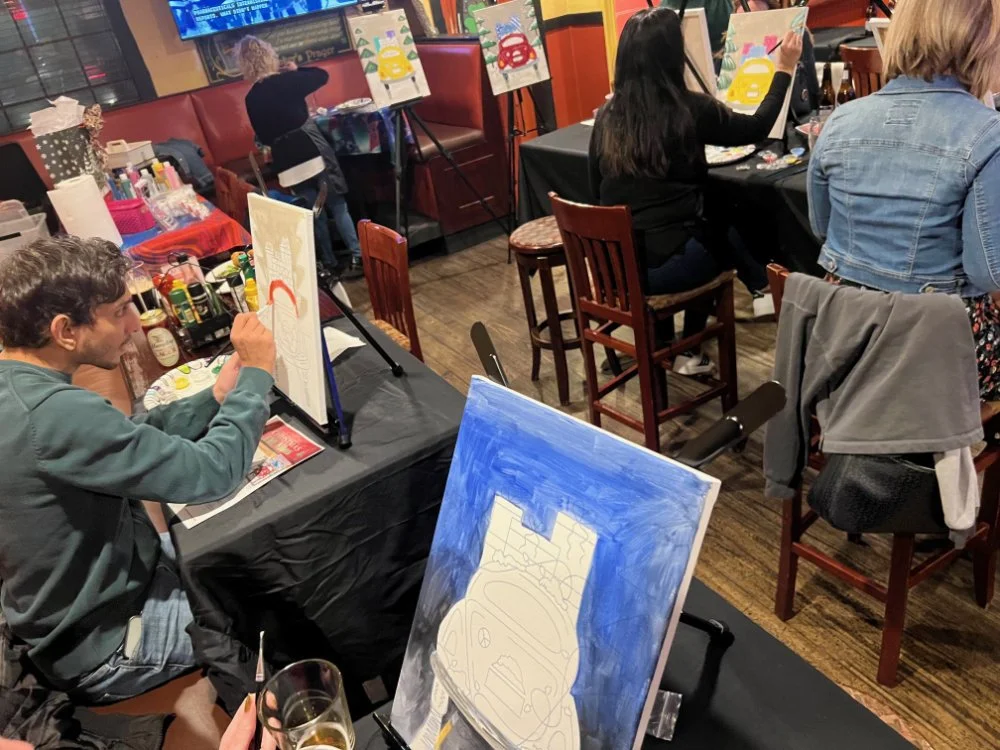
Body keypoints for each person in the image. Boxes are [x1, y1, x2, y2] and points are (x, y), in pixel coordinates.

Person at [0, 236, 276, 703]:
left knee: (246, 554)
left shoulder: (19, 386)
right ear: (66, 330)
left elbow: (124, 434)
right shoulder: (52, 414)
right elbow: (213, 473)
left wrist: (214, 399)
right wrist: (255, 376)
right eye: (120, 311)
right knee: (271, 604)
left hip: (94, 594)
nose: (133, 324)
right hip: (107, 642)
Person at [589, 7, 801, 374]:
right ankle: (693, 342)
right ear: (673, 57)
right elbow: (757, 127)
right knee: (717, 226)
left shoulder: (607, 116)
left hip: (617, 269)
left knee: (709, 214)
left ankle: (681, 338)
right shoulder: (688, 109)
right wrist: (783, 68)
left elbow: (596, 192)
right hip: (666, 267)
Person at [808, 0, 1000, 400]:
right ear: (984, 42)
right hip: (934, 354)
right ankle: (962, 452)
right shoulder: (987, 135)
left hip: (843, 342)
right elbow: (989, 274)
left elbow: (822, 228)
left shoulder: (840, 120)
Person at [237, 35, 364, 279]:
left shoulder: (251, 98)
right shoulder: (288, 81)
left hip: (286, 160)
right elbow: (321, 76)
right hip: (310, 145)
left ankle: (328, 263)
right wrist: (296, 69)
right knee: (336, 203)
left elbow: (262, 135)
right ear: (270, 56)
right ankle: (357, 255)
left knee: (312, 210)